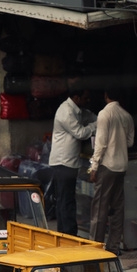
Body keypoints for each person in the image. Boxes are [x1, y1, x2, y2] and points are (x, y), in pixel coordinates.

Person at [88, 88, 135, 255]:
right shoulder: (126, 116)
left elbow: (100, 143)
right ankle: (113, 246)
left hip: (107, 166)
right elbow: (130, 142)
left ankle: (96, 246)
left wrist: (94, 167)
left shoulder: (104, 114)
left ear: (106, 95)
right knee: (117, 208)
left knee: (100, 207)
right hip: (121, 166)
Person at [48, 82, 97, 236]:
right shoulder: (66, 112)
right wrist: (96, 125)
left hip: (70, 162)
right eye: (85, 98)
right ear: (76, 97)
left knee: (66, 199)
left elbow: (91, 116)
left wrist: (101, 119)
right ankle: (68, 233)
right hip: (63, 163)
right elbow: (80, 133)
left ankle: (65, 233)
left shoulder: (78, 110)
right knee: (65, 201)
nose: (87, 100)